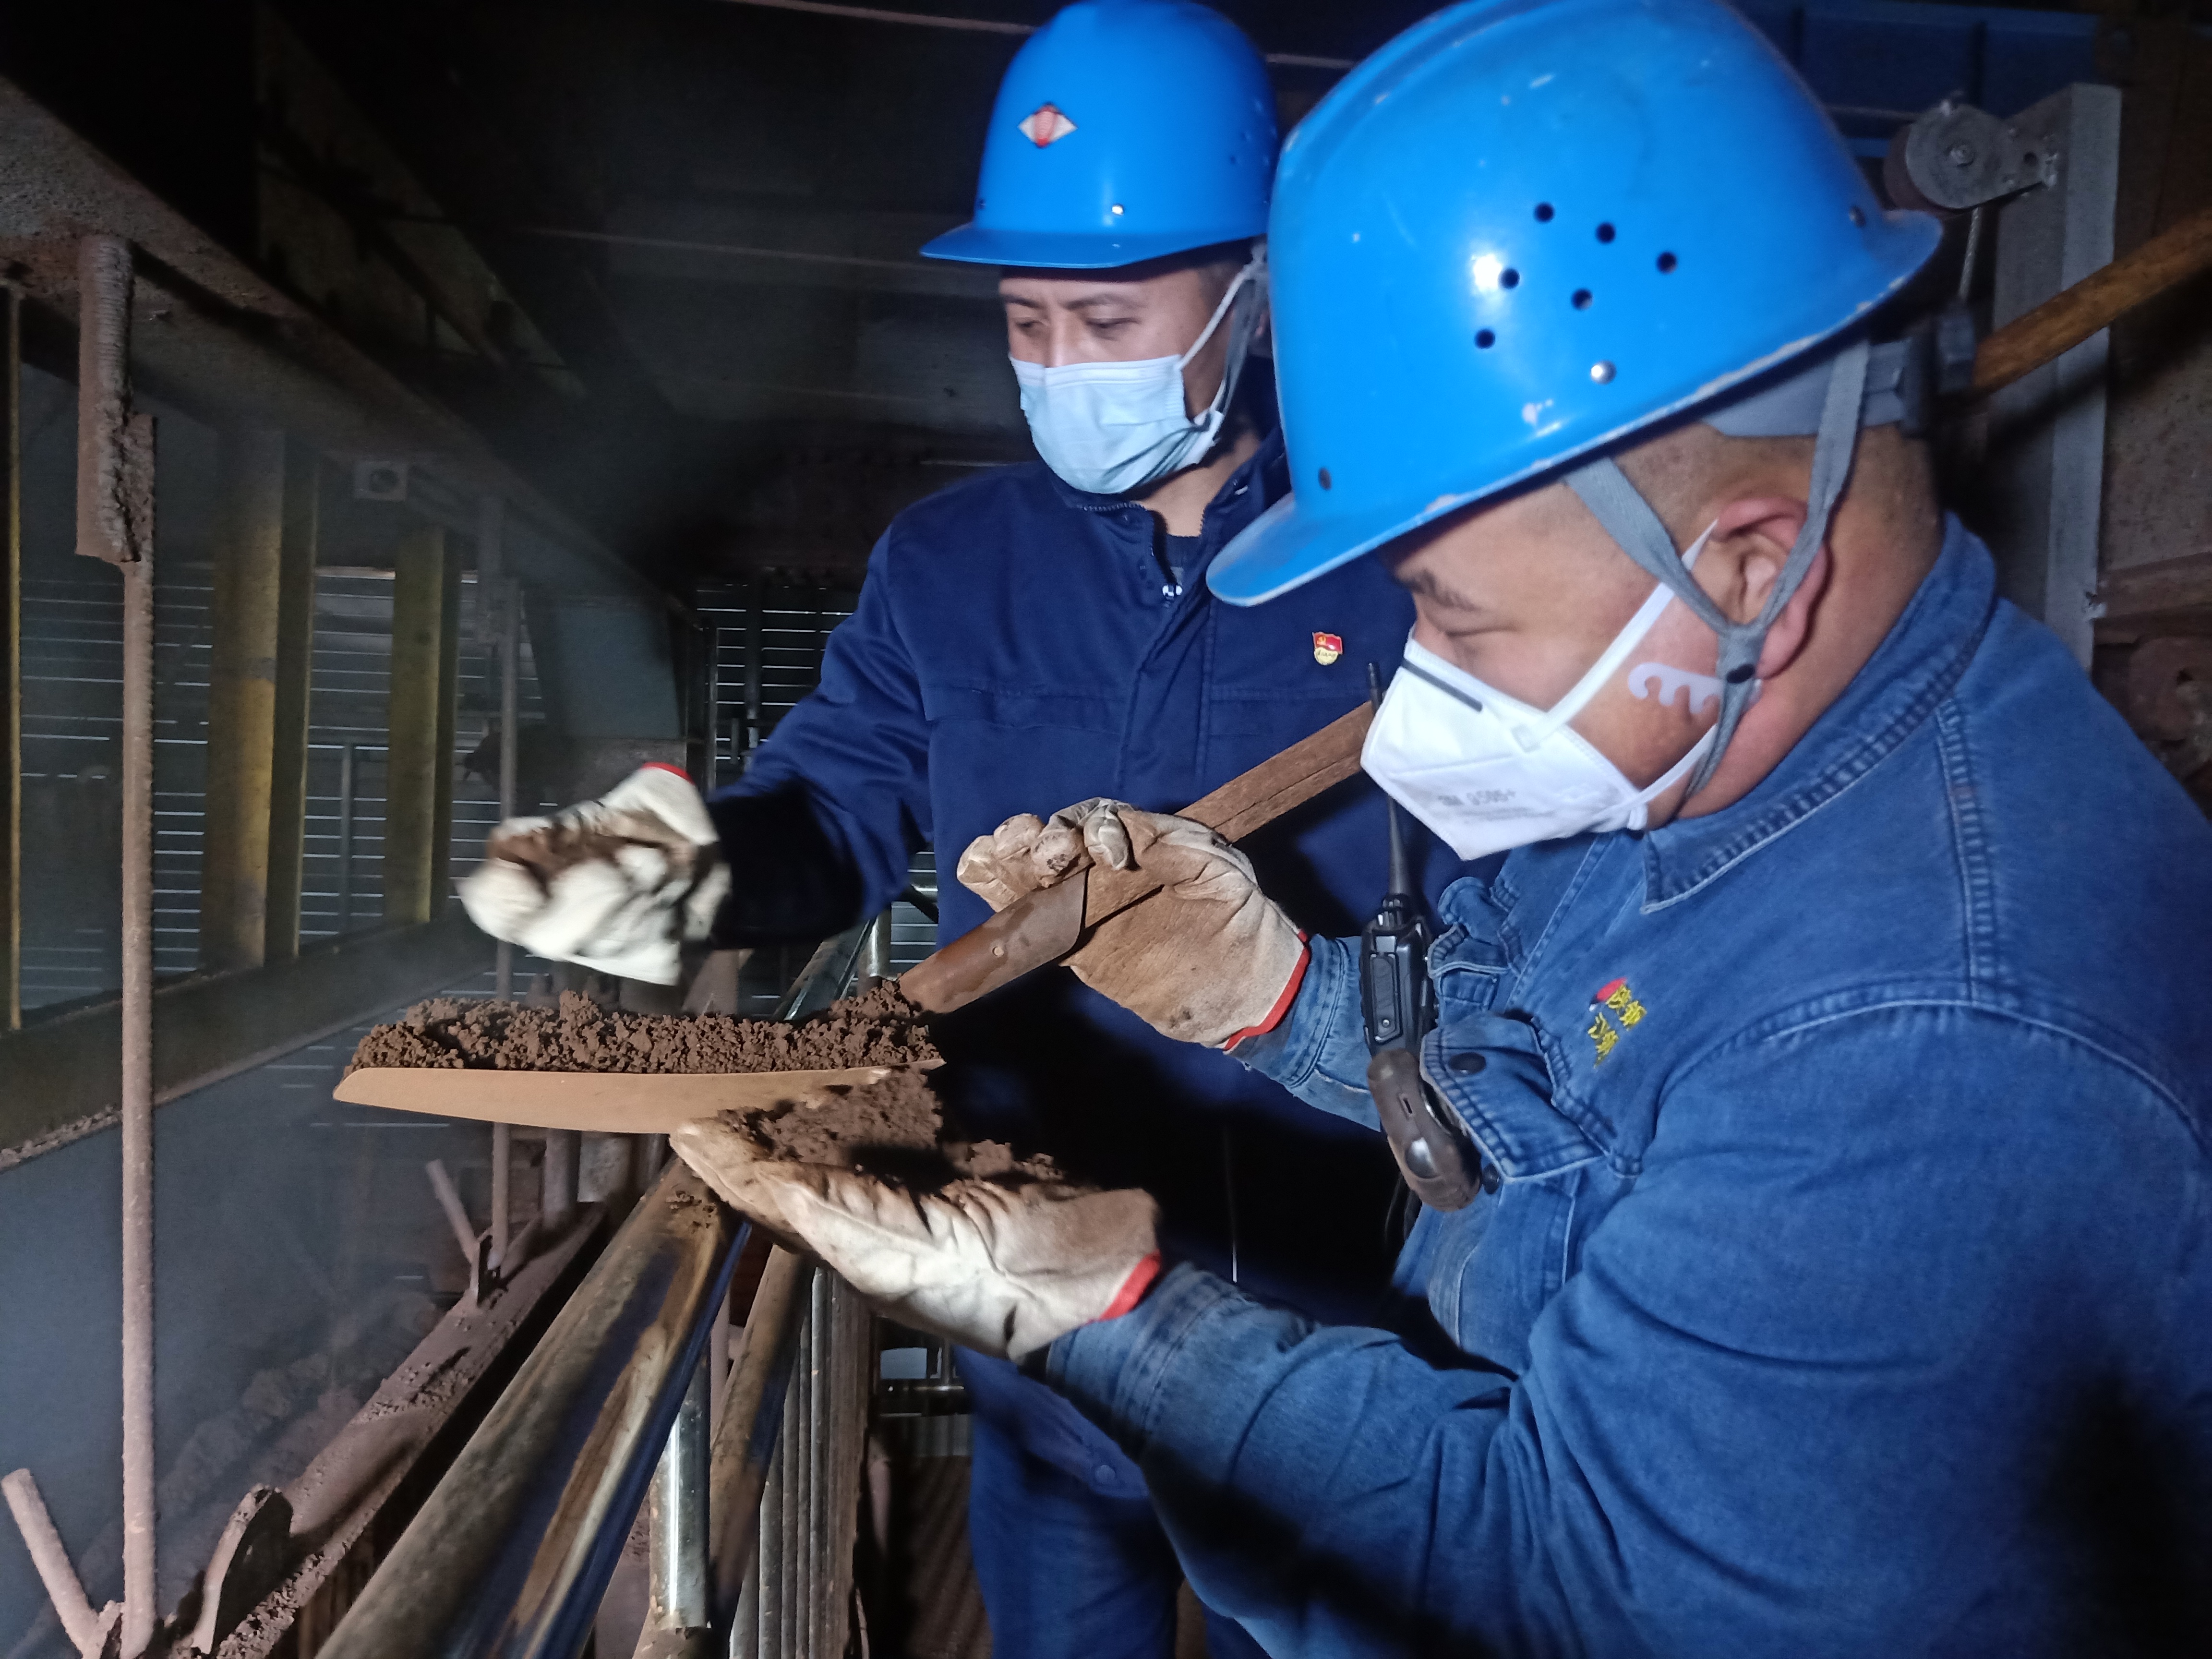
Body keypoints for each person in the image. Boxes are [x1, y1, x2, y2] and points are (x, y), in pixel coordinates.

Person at [673, 0, 2212, 1652]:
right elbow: (1547, 1080)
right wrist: (1288, 998)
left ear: (1755, 568)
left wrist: (1114, 1315)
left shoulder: (1922, 1042)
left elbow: (1562, 1598)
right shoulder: (1723, 779)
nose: (1424, 699)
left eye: (1461, 626)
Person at [463, 4, 1449, 1654]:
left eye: (1110, 314)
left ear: (1254, 291)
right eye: (1027, 317)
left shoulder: (1397, 563)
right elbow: (835, 815)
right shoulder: (951, 563)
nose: (1063, 363)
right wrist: (694, 870)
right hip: (1041, 1289)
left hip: (1329, 1308)